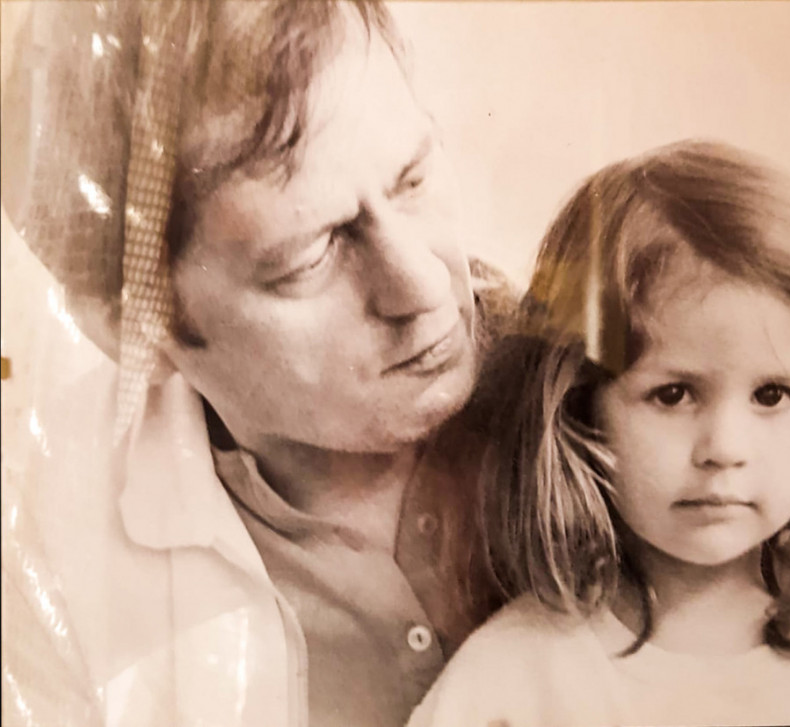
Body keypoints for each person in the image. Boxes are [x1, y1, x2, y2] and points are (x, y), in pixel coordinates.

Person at [0, 2, 512, 726]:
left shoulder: (620, 389)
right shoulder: (42, 554)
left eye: (413, 179)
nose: (425, 287)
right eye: (311, 257)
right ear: (136, 327)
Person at [408, 140, 790, 726]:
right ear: (579, 409)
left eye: (771, 395)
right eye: (673, 395)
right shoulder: (516, 678)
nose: (725, 449)